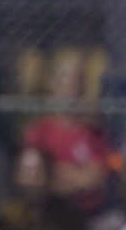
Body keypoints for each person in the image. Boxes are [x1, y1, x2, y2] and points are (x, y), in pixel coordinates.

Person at [22, 51, 110, 216]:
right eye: (69, 85)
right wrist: (78, 175)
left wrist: (59, 173)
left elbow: (96, 179)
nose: (74, 92)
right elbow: (35, 178)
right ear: (55, 89)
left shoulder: (94, 133)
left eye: (79, 86)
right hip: (50, 212)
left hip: (90, 213)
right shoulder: (39, 131)